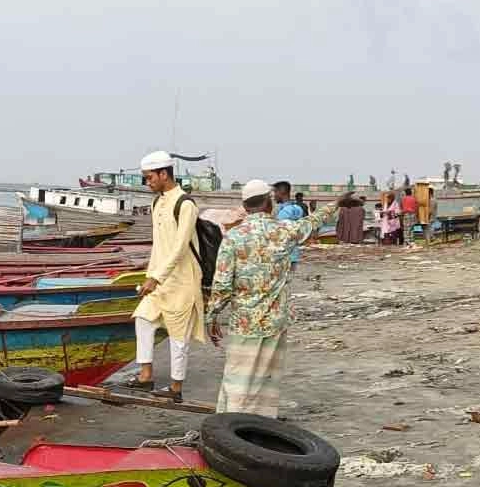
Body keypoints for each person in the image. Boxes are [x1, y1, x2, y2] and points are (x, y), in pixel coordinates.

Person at [205, 182, 350, 417]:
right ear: (268, 202)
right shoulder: (284, 231)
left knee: (238, 376)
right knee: (266, 379)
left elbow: (222, 284)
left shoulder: (233, 237)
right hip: (275, 320)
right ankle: (260, 422)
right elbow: (313, 221)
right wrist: (337, 203)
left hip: (244, 322)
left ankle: (231, 422)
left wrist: (211, 317)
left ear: (245, 206)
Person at [123, 151, 206, 402]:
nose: (147, 182)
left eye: (149, 178)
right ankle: (145, 376)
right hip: (159, 280)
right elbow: (159, 246)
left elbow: (179, 248)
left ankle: (176, 388)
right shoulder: (156, 203)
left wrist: (156, 278)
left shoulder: (185, 204)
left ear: (163, 174)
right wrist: (151, 275)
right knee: (143, 319)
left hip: (183, 281)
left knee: (179, 337)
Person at [273, 181, 306, 270]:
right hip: (294, 254)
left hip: (283, 255)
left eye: (275, 192)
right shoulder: (298, 209)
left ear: (281, 192)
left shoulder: (283, 212)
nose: (274, 195)